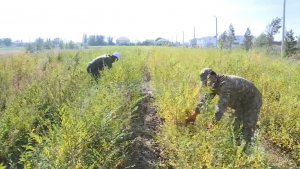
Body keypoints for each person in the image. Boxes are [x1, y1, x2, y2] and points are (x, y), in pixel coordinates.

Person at [186, 68, 262, 146]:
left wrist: (212, 125)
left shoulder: (225, 84)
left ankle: (249, 149)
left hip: (252, 100)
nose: (206, 85)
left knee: (247, 129)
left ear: (211, 77)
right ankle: (238, 146)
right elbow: (207, 98)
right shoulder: (215, 82)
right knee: (235, 126)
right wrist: (195, 114)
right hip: (241, 102)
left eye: (206, 82)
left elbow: (221, 108)